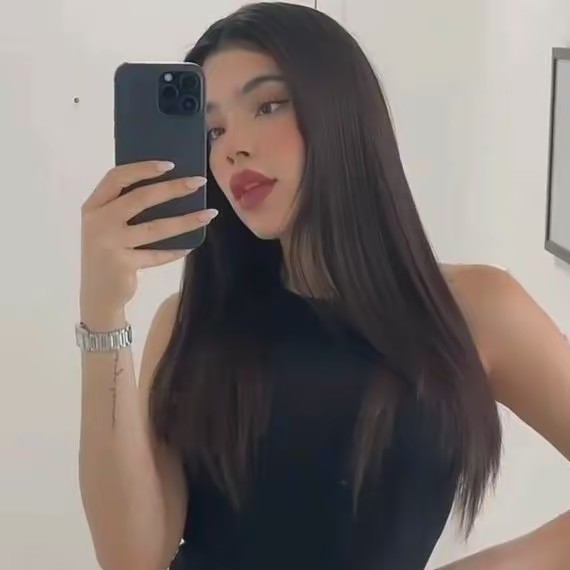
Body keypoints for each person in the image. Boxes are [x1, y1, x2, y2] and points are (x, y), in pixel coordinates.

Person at [78, 3, 570, 569]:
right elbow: (131, 559)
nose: (232, 148)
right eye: (213, 130)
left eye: (267, 105)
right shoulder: (189, 324)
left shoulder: (477, 310)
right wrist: (102, 312)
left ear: (341, 110)